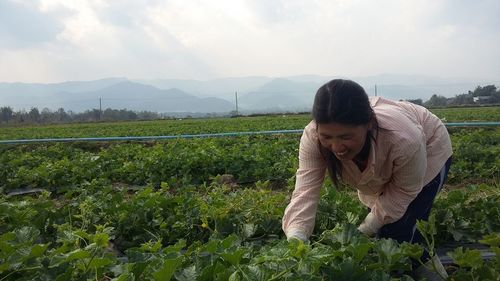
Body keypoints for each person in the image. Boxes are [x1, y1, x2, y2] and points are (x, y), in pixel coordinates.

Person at [282, 79, 452, 279]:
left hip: (430, 149)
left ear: (369, 124)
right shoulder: (312, 137)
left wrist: (366, 227)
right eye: (327, 137)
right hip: (392, 158)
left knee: (400, 235)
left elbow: (403, 191)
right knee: (388, 233)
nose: (336, 147)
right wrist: (297, 236)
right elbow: (305, 190)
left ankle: (433, 277)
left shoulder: (404, 139)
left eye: (346, 137)